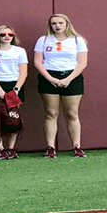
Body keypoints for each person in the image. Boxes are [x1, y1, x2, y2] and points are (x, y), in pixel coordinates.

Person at [34, 14, 89, 159]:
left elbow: (82, 62)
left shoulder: (78, 40)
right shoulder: (43, 40)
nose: (57, 26)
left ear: (67, 24)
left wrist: (68, 79)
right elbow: (38, 62)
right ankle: (50, 147)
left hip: (72, 77)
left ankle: (76, 146)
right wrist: (50, 78)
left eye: (60, 23)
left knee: (72, 113)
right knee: (51, 113)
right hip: (49, 77)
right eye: (53, 23)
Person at [0, 25, 29, 160]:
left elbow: (24, 71)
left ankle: (11, 148)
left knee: (13, 117)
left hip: (14, 85)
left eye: (10, 34)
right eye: (3, 34)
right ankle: (0, 148)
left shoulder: (19, 51)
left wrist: (16, 90)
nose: (7, 37)